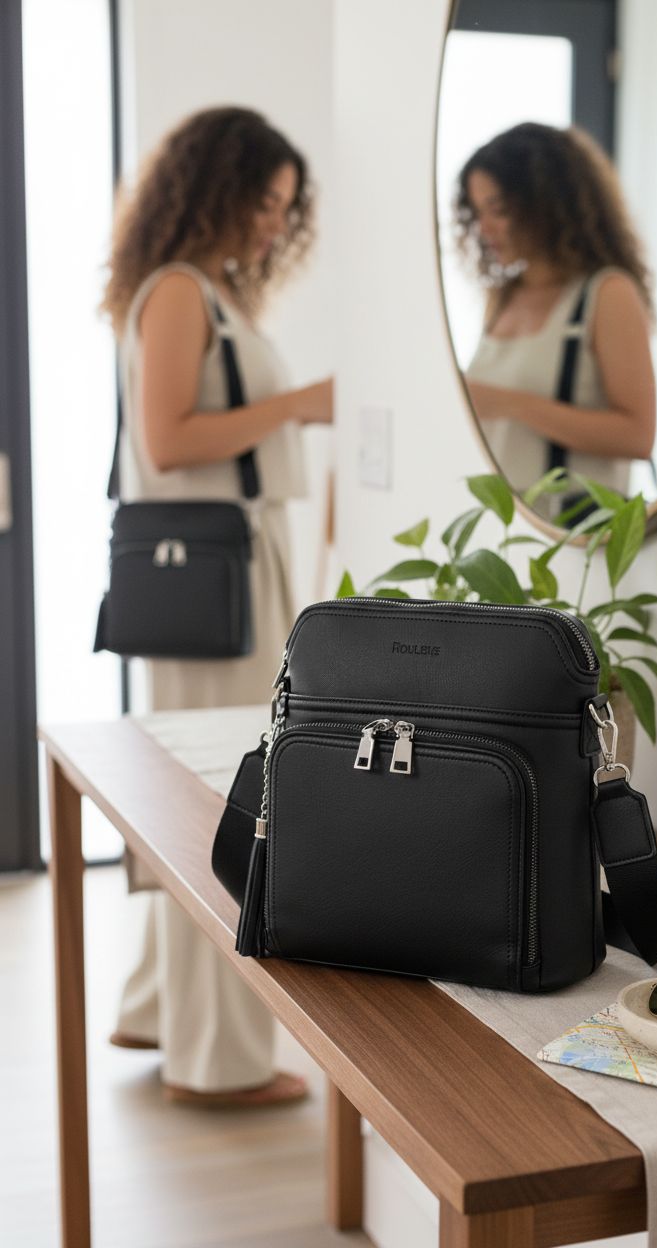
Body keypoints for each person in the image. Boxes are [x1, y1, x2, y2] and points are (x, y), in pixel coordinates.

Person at [99, 105, 333, 1106]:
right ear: (220, 191)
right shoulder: (180, 292)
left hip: (226, 567)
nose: (275, 224)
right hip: (216, 576)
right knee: (225, 805)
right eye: (265, 203)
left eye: (286, 208)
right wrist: (300, 403)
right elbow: (170, 441)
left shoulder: (200, 290)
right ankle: (217, 1059)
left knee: (197, 797)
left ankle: (161, 1007)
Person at [455, 122, 656, 514]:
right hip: (506, 527)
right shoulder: (504, 297)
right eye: (477, 213)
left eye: (498, 210)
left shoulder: (607, 294)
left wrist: (511, 404)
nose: (484, 228)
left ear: (545, 205)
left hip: (570, 531)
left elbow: (638, 436)